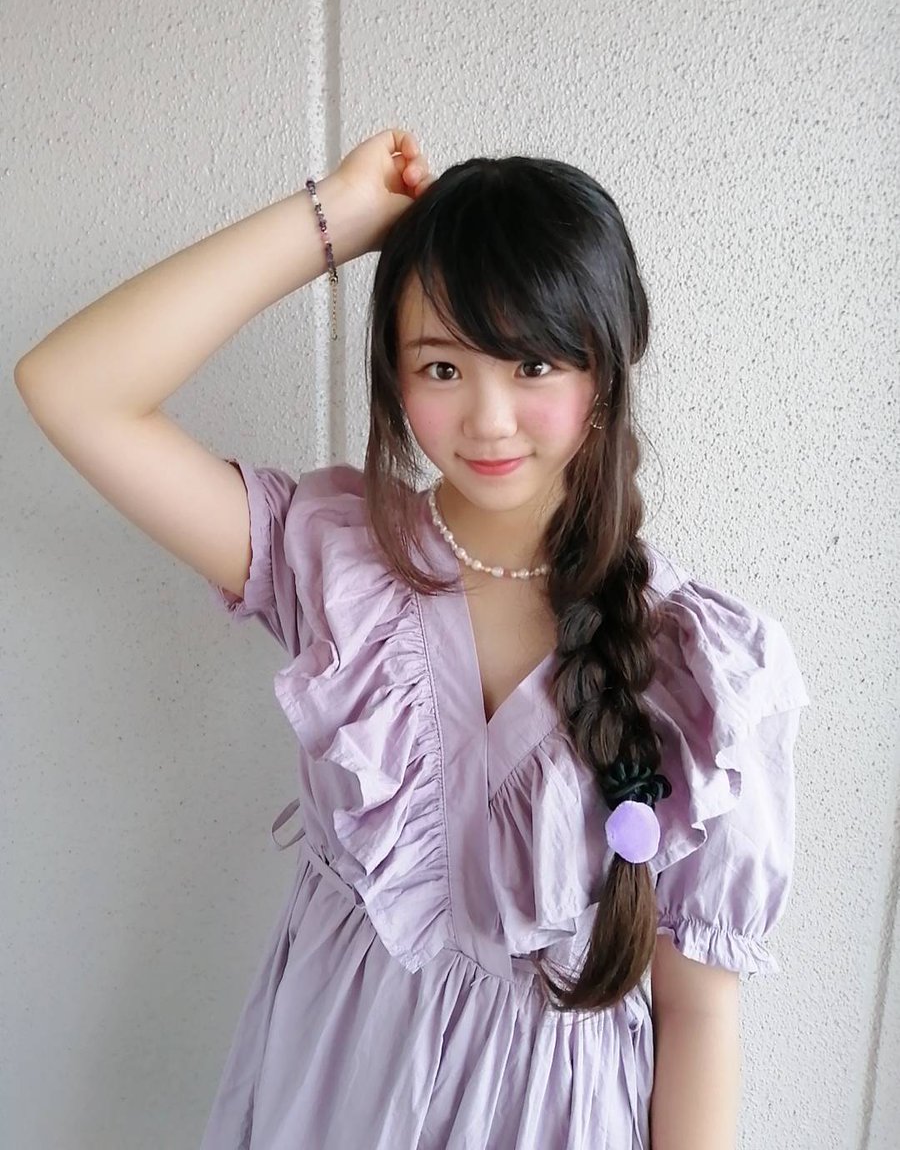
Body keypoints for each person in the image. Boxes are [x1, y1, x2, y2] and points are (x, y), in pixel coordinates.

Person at [14, 128, 811, 1149]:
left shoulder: (704, 674)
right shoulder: (336, 561)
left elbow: (698, 1015)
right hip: (324, 1094)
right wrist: (334, 220)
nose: (488, 419)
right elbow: (72, 388)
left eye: (533, 364)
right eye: (442, 365)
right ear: (393, 375)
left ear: (606, 372)